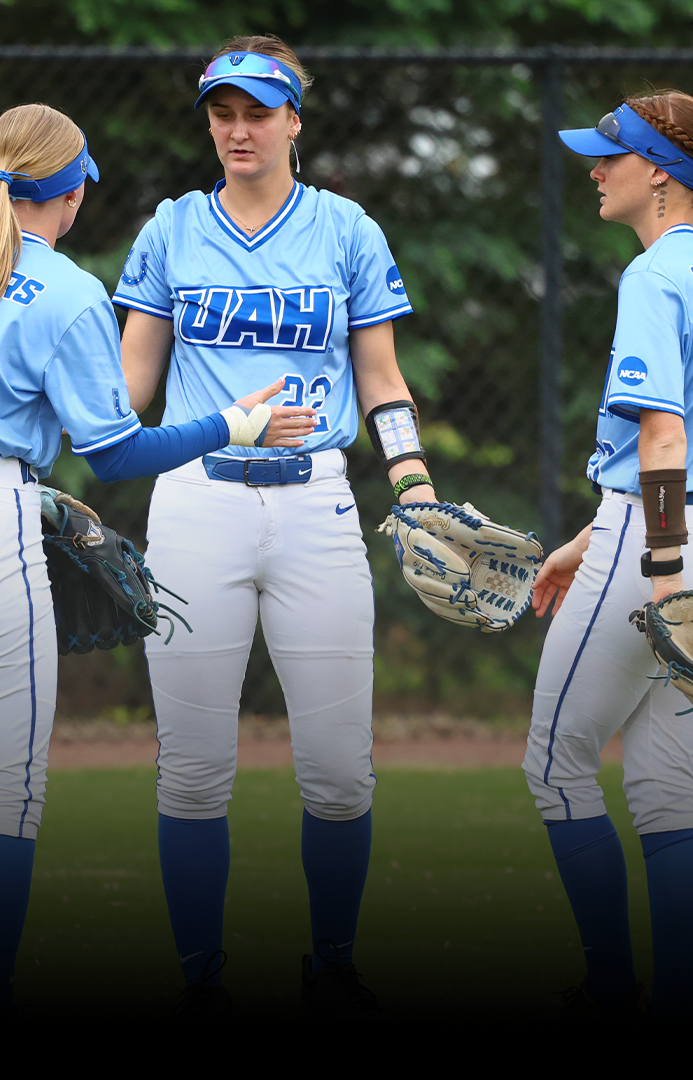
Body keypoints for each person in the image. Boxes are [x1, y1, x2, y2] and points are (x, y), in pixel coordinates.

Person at [0, 103, 315, 1019]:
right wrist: (232, 424)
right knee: (7, 797)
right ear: (75, 192)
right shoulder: (68, 289)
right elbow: (115, 452)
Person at [113, 35, 439, 1019]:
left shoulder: (346, 229)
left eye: (258, 111)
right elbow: (127, 390)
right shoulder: (172, 228)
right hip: (197, 501)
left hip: (317, 505)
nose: (238, 129)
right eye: (223, 112)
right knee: (193, 771)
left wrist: (414, 482)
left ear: (295, 118)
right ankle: (200, 978)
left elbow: (382, 378)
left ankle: (331, 965)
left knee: (339, 772)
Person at [523, 90, 693, 1021]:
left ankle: (610, 989)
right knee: (662, 788)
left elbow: (665, 440)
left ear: (663, 174)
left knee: (556, 765)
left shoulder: (653, 275)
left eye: (613, 155)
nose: (596, 170)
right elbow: (685, 454)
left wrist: (663, 575)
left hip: (662, 540)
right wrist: (585, 540)